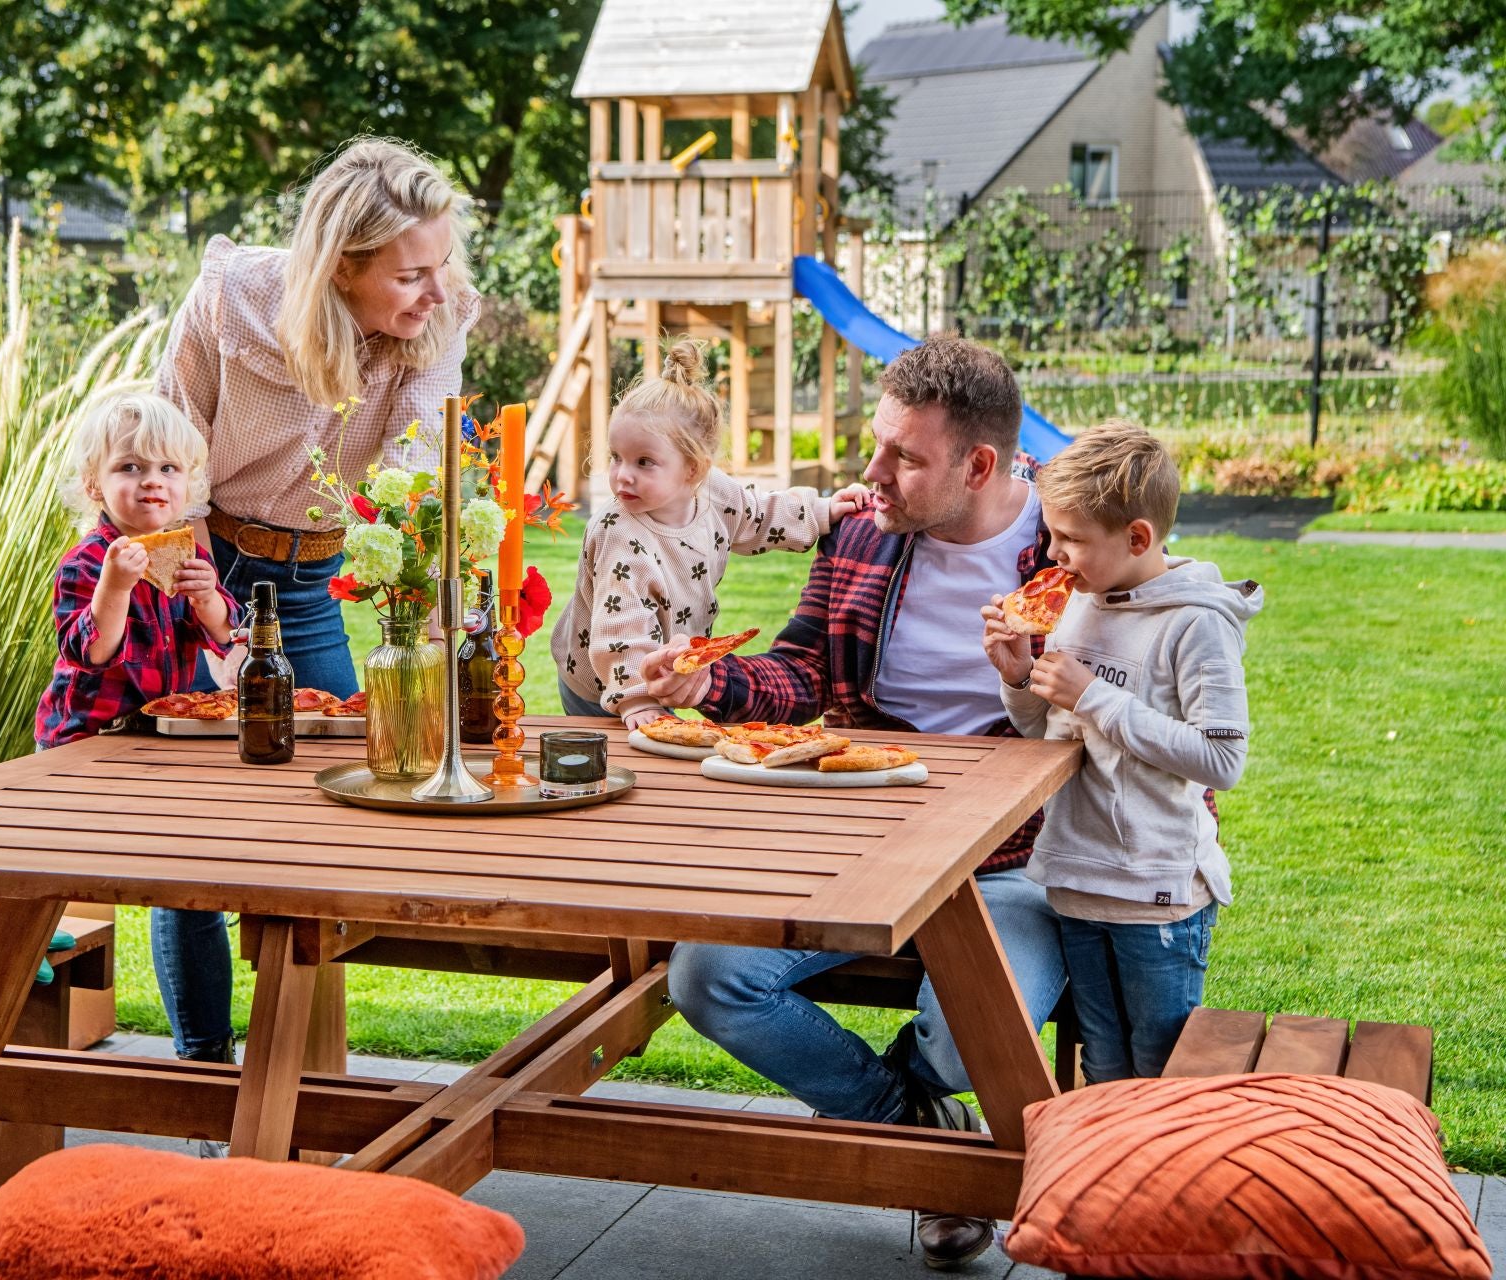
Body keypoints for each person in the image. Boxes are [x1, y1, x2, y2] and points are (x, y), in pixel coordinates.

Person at [638, 336, 1066, 1271]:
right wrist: (706, 687)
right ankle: (924, 1143)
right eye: (877, 444)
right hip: (857, 840)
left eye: (903, 457)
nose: (871, 474)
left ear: (980, 465)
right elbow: (800, 666)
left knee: (973, 1032)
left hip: (1018, 861)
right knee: (708, 978)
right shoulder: (868, 532)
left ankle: (928, 1122)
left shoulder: (1070, 548)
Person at [151, 137, 479, 1064]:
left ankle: (299, 1071)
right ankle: (207, 1072)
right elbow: (173, 455)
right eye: (413, 273)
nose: (437, 289)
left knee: (337, 808)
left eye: (442, 264)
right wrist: (205, 607)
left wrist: (422, 586)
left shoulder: (436, 321)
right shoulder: (230, 302)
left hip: (312, 586)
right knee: (195, 846)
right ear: (342, 264)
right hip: (205, 568)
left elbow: (420, 473)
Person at [982, 420, 1260, 1084]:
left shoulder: (1195, 624)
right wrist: (1020, 675)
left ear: (1138, 537)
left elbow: (1223, 760)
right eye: (1052, 534)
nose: (1054, 555)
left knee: (1159, 1073)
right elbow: (1046, 733)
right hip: (1077, 881)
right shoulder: (1081, 606)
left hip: (1155, 892)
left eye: (1072, 540)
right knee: (1101, 1066)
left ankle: (1165, 1189)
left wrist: (1092, 698)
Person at [550, 339, 869, 726]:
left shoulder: (714, 493)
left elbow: (759, 515)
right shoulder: (619, 532)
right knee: (626, 758)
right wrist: (637, 700)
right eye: (616, 457)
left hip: (660, 661)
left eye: (644, 462)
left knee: (662, 745)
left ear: (693, 469)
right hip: (600, 682)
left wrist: (821, 510)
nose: (623, 474)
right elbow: (620, 626)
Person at [35, 389, 238, 751]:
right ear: (94, 483)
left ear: (187, 483)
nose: (152, 480)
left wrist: (208, 598)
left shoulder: (189, 556)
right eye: (130, 467)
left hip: (160, 733)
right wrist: (114, 589)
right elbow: (91, 654)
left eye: (168, 468)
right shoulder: (87, 563)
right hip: (86, 738)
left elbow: (226, 634)